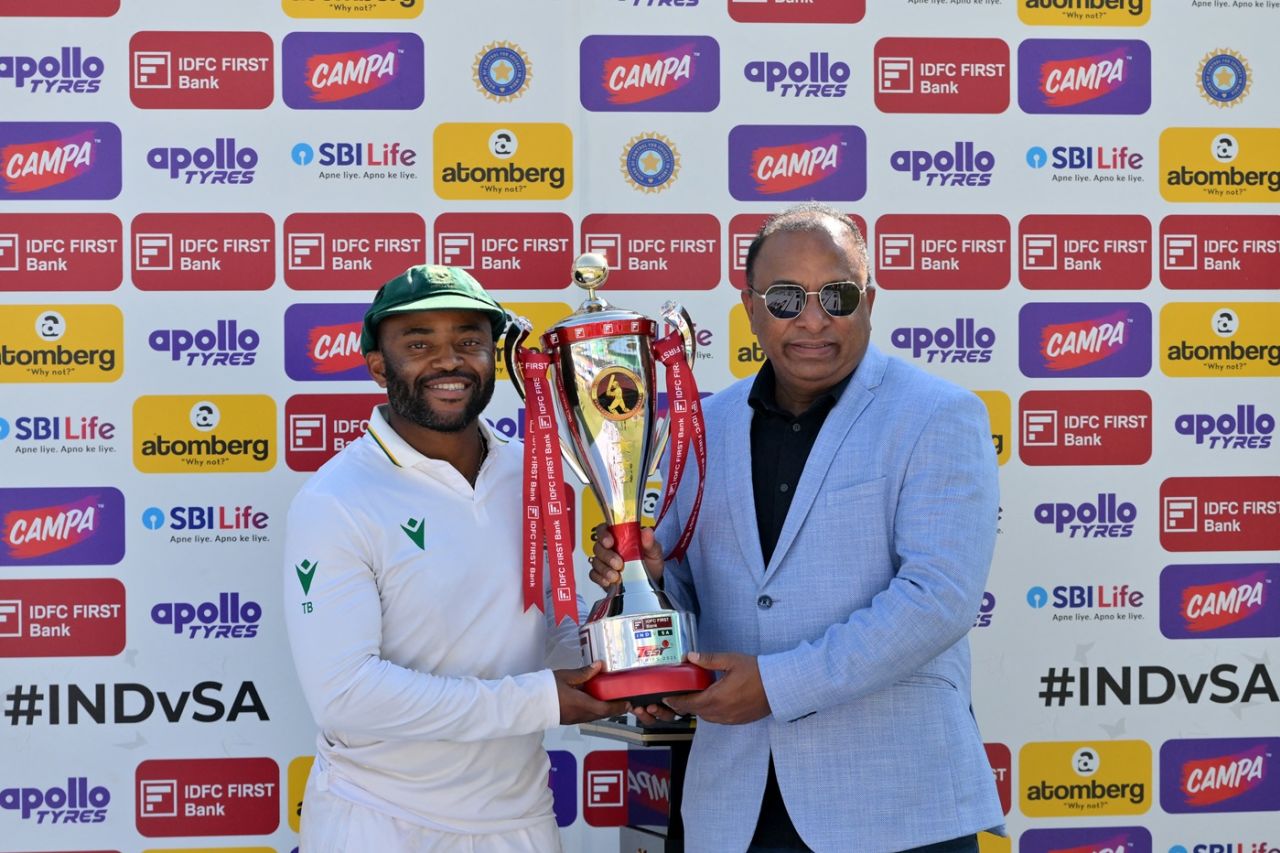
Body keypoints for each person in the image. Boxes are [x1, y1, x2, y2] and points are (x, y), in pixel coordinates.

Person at [591, 204, 1003, 853]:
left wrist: (777, 684)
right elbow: (689, 595)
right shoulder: (703, 426)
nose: (813, 319)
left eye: (836, 295)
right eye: (786, 298)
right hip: (733, 809)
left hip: (897, 808)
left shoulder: (939, 414)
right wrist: (648, 598)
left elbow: (938, 599)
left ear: (868, 300)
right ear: (750, 306)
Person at [284, 264, 628, 852]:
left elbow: (548, 638)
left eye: (468, 341)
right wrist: (541, 700)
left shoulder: (538, 474)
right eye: (419, 344)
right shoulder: (335, 500)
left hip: (519, 819)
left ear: (494, 358)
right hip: (379, 821)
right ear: (377, 367)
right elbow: (346, 694)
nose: (448, 361)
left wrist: (627, 613)